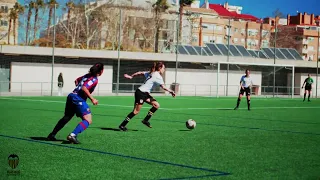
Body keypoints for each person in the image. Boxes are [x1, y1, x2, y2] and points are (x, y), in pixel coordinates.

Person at [47, 63, 104, 144]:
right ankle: (72, 135)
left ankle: (52, 135)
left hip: (71, 95)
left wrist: (78, 88)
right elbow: (84, 88)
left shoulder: (86, 75)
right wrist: (92, 99)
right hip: (78, 99)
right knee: (88, 119)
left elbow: (76, 80)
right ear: (101, 71)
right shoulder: (94, 79)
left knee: (67, 117)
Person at [118, 62, 175, 131]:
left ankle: (145, 120)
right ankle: (122, 125)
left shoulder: (151, 73)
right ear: (160, 68)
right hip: (141, 93)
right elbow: (163, 87)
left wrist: (131, 76)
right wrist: (171, 91)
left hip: (145, 94)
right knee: (135, 111)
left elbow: (140, 73)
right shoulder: (158, 76)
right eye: (164, 68)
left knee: (156, 105)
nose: (164, 70)